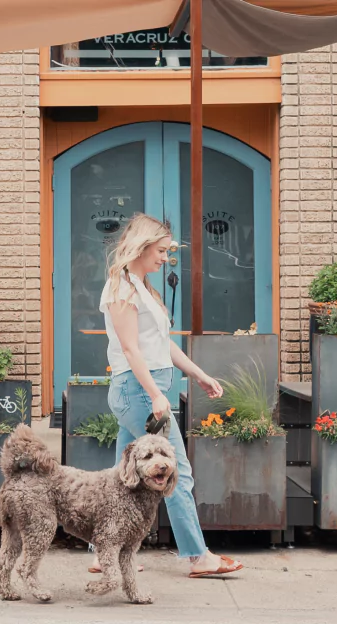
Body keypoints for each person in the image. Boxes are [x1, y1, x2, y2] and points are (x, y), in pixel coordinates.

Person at [93, 213, 243, 578]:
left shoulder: (142, 287)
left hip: (146, 388)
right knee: (177, 472)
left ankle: (102, 554)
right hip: (139, 390)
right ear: (141, 247)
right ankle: (198, 556)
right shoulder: (122, 289)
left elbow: (162, 346)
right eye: (161, 250)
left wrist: (199, 374)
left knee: (121, 476)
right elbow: (131, 351)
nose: (165, 258)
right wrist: (156, 395)